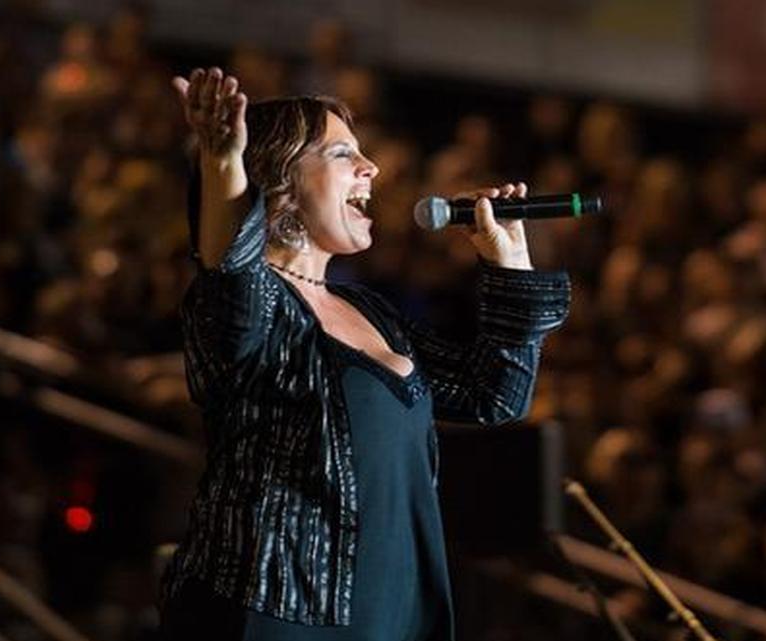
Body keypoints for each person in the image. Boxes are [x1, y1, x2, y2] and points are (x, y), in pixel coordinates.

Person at [157, 67, 570, 640]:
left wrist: (508, 262)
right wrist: (223, 158)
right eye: (342, 153)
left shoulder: (372, 313)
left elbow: (494, 396)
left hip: (393, 615)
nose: (370, 167)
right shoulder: (256, 307)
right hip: (276, 614)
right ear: (281, 181)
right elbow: (232, 274)